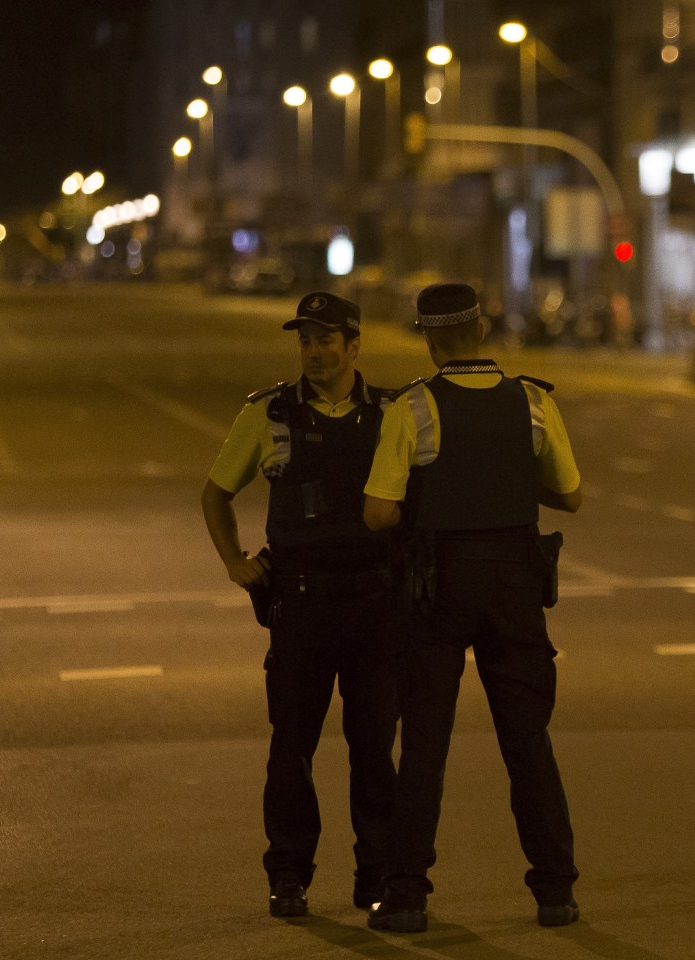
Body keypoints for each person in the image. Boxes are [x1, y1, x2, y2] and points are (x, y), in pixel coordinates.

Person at [361, 282, 582, 933]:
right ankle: (556, 891)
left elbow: (378, 511)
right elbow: (569, 495)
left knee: (425, 744)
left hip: (437, 589)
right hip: (516, 588)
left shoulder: (414, 408)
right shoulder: (533, 402)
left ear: (429, 339)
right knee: (527, 742)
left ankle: (406, 896)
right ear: (482, 330)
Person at [200, 291, 401, 919]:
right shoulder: (270, 414)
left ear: (353, 344)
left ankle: (377, 879)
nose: (314, 353)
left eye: (325, 340)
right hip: (302, 607)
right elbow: (215, 494)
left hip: (375, 607)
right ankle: (288, 876)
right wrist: (235, 563)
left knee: (373, 752)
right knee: (292, 749)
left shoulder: (393, 413)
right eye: (304, 341)